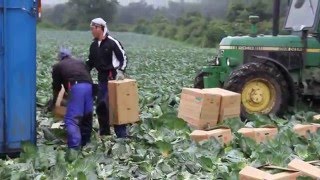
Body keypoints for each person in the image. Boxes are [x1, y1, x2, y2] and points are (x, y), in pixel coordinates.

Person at [86, 17, 128, 138]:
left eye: (93, 28)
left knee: (115, 106)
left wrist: (120, 71)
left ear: (100, 28)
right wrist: (82, 72)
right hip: (102, 78)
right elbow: (90, 62)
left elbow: (123, 58)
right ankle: (105, 134)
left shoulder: (112, 42)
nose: (92, 31)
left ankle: (121, 134)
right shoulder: (94, 45)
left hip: (113, 77)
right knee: (101, 105)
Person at [51, 48, 93, 149]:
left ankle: (74, 148)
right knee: (87, 116)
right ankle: (86, 143)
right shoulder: (80, 62)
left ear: (60, 58)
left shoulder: (58, 66)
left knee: (71, 120)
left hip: (76, 86)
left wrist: (55, 102)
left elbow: (56, 86)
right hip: (89, 87)